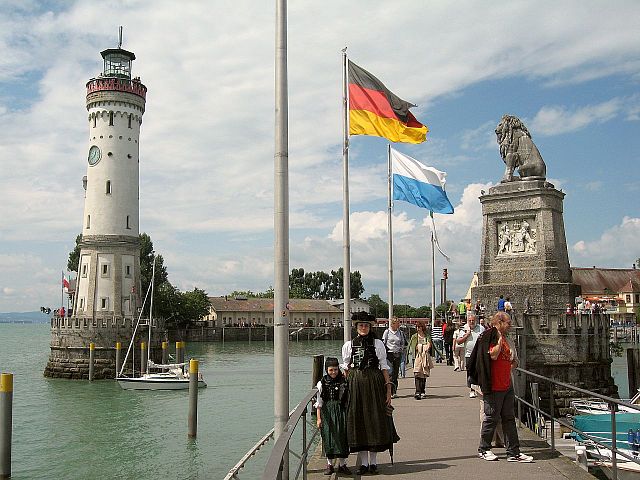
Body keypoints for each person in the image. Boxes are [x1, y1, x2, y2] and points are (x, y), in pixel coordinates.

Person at [469, 312, 533, 463]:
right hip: (493, 385)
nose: (510, 326)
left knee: (509, 418)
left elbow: (513, 361)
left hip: (506, 384)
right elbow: (492, 355)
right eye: (508, 323)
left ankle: (513, 452)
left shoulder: (507, 339)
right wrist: (498, 342)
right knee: (491, 418)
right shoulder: (490, 336)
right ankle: (484, 449)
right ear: (499, 322)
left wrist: (511, 363)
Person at [341, 312, 399, 475]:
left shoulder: (378, 344)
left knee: (374, 420)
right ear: (356, 327)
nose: (364, 328)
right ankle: (364, 464)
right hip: (356, 385)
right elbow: (346, 369)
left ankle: (373, 463)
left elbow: (384, 367)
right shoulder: (349, 345)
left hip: (374, 384)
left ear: (370, 327)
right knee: (359, 421)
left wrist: (388, 389)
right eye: (361, 325)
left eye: (366, 325)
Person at [315, 357, 350, 476]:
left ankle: (342, 464)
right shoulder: (321, 383)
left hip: (341, 411)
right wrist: (319, 418)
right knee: (328, 437)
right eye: (331, 370)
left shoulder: (343, 381)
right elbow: (319, 403)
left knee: (342, 436)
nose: (333, 372)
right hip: (327, 411)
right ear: (326, 370)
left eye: (335, 369)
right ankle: (329, 464)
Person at [457, 314, 484, 398]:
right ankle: (471, 390)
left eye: (473, 320)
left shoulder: (481, 328)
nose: (471, 322)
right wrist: (467, 335)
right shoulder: (464, 328)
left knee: (480, 371)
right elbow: (458, 341)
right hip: (469, 354)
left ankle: (480, 388)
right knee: (470, 372)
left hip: (479, 353)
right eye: (470, 321)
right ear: (467, 321)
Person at [382, 317, 407, 398]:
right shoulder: (387, 332)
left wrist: (401, 349)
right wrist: (386, 351)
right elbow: (383, 342)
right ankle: (388, 391)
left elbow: (403, 342)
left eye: (399, 323)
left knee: (395, 373)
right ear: (393, 324)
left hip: (397, 354)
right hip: (389, 354)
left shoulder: (400, 332)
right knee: (389, 372)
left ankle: (394, 391)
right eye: (397, 323)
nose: (399, 325)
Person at [407, 322, 432, 400]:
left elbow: (430, 345)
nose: (418, 328)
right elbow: (411, 346)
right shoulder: (414, 336)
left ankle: (422, 390)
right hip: (417, 357)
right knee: (417, 373)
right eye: (417, 327)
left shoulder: (427, 336)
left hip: (425, 357)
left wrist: (426, 347)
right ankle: (417, 391)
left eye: (420, 326)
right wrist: (407, 357)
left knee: (424, 374)